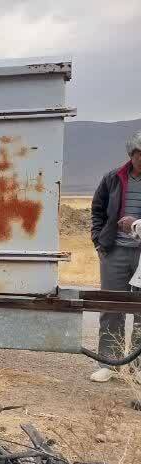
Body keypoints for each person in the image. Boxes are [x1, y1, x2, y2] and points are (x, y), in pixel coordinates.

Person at [91, 130, 141, 382]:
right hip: (115, 252)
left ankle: (137, 367)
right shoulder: (113, 178)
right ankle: (109, 363)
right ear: (132, 155)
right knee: (111, 307)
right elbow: (97, 210)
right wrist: (99, 241)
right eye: (140, 154)